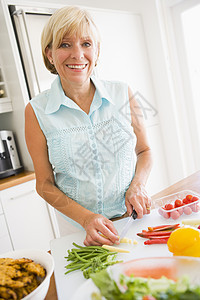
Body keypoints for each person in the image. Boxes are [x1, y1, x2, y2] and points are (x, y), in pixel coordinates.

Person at [25, 6, 153, 246]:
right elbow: (44, 183)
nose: (78, 54)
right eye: (65, 44)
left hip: (133, 219)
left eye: (86, 44)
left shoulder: (123, 92)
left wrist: (138, 186)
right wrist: (86, 219)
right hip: (80, 233)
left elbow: (145, 150)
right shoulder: (36, 111)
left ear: (97, 50)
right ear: (49, 54)